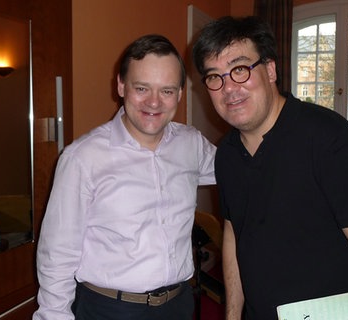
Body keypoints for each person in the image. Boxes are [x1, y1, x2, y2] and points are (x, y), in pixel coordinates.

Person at [192, 16, 348, 320]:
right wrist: (233, 315)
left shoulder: (331, 141)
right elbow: (235, 235)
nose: (229, 88)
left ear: (271, 69)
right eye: (215, 77)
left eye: (240, 70)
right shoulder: (226, 154)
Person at [34, 34, 216, 320]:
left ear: (180, 94)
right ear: (121, 85)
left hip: (178, 305)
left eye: (167, 91)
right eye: (142, 88)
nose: (154, 102)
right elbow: (57, 254)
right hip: (109, 310)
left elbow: (240, 168)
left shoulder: (191, 144)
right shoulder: (82, 158)